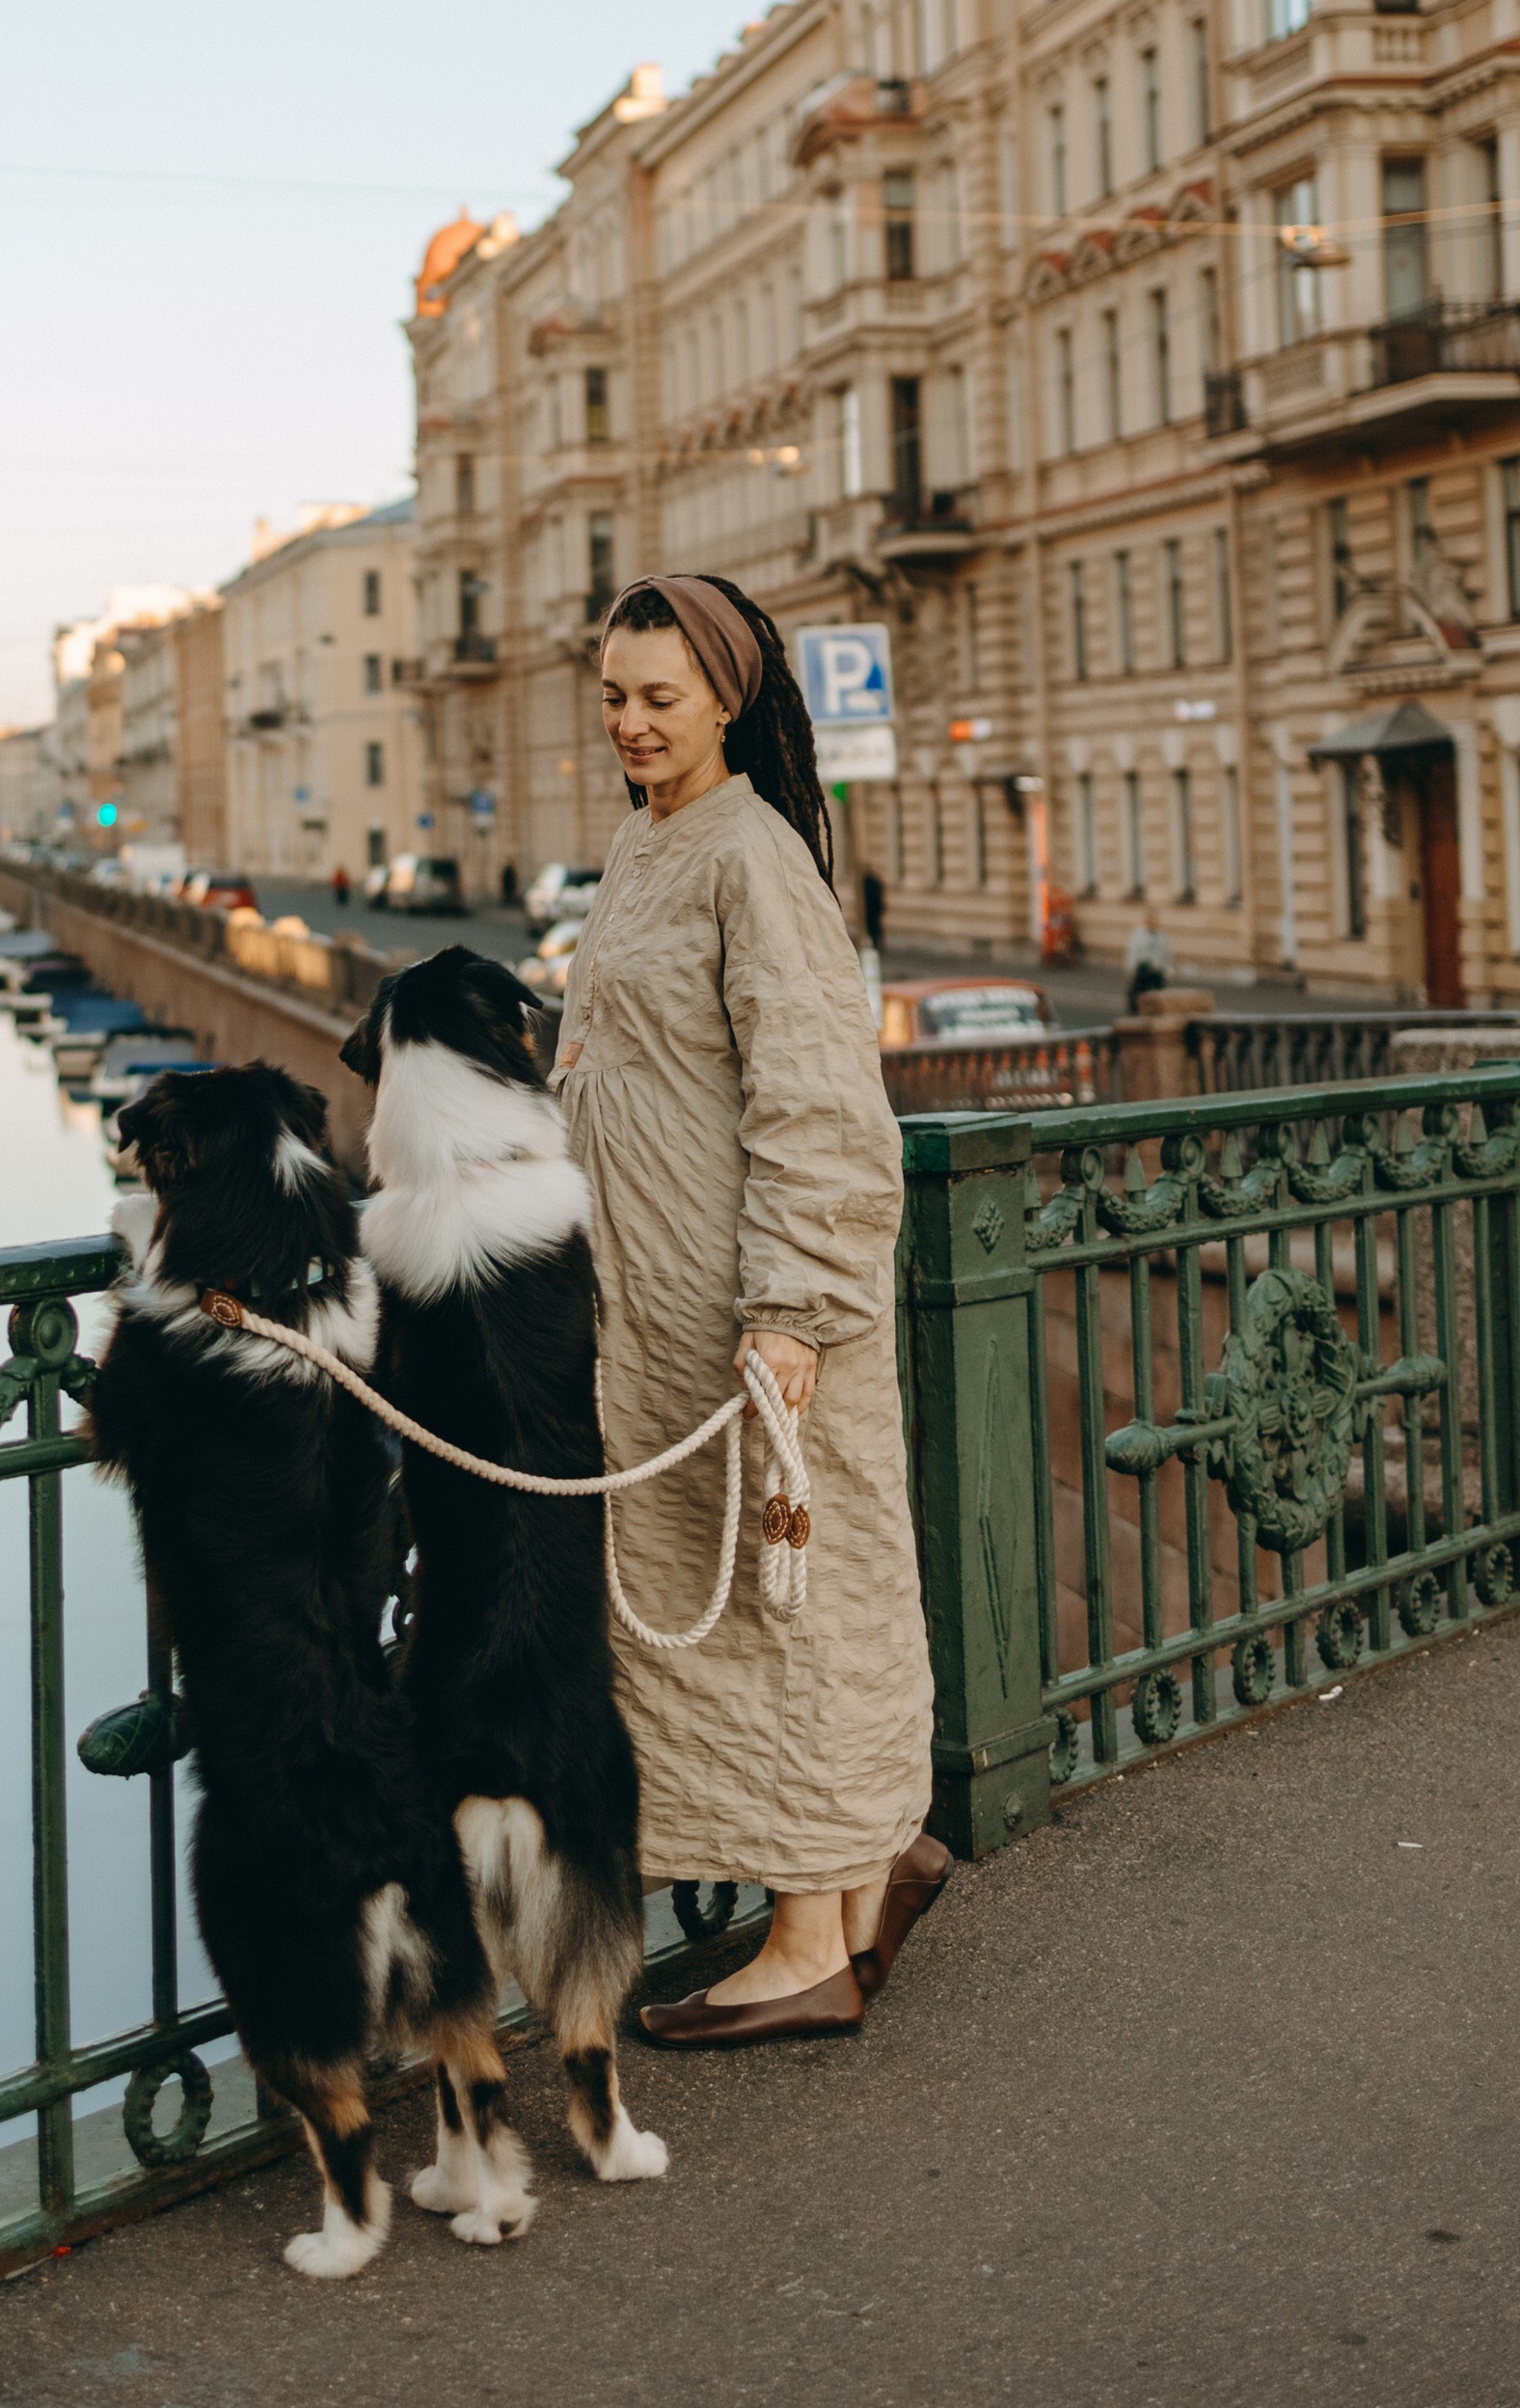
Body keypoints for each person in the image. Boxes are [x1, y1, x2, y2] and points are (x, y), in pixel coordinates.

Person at [553, 572, 942, 2048]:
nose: (634, 723)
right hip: (653, 1323)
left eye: (661, 697)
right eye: (614, 696)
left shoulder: (752, 856)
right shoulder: (642, 841)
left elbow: (824, 1105)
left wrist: (791, 1311)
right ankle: (867, 1874)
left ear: (729, 696)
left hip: (751, 1323)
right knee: (742, 1617)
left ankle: (805, 1946)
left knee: (791, 1616)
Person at [1124, 901, 1172, 1012]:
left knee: (1158, 997)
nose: (1153, 922)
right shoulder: (1138, 935)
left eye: (1155, 919)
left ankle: (1154, 1013)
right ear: (1146, 920)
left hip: (1156, 972)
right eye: (1150, 919)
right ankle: (1136, 1014)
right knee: (1138, 996)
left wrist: (1167, 969)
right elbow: (1132, 952)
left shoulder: (1161, 936)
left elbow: (1166, 954)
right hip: (1142, 971)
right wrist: (1131, 969)